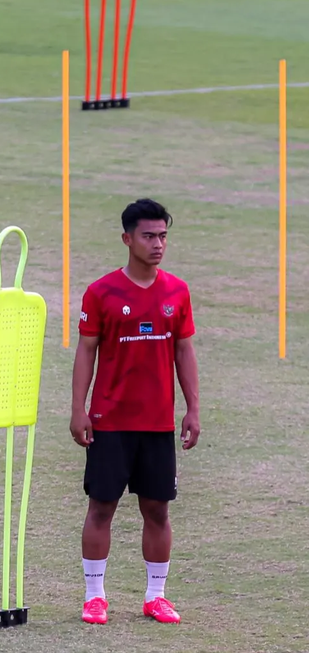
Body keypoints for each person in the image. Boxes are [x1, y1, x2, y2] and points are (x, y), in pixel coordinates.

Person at [70, 198, 200, 625]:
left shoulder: (177, 291)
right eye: (148, 236)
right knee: (101, 507)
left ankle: (156, 596)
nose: (158, 244)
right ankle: (94, 597)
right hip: (110, 422)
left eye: (163, 235)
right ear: (127, 238)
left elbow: (184, 350)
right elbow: (86, 352)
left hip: (158, 423)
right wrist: (79, 409)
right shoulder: (102, 292)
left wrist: (192, 409)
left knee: (158, 510)